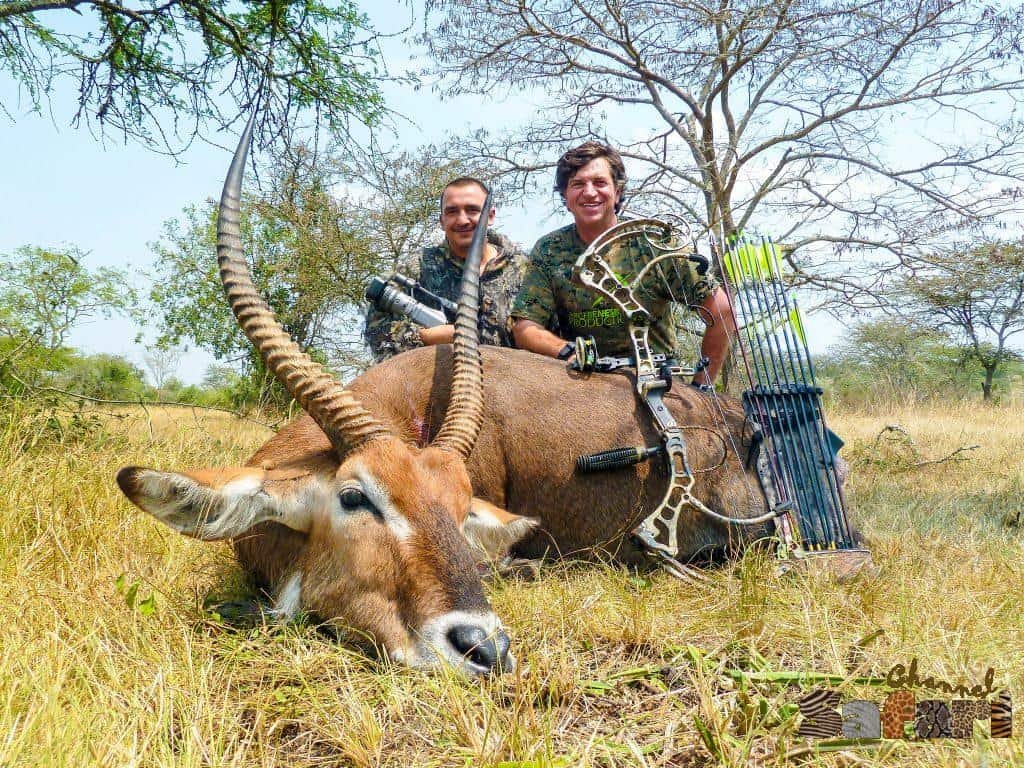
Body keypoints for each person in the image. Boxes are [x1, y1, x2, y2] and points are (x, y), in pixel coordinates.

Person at [511, 142, 736, 386]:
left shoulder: (655, 242)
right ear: (565, 196)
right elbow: (525, 327)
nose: (589, 192)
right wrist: (568, 352)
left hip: (656, 382)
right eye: (577, 184)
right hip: (582, 381)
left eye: (600, 182)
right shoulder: (549, 249)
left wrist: (702, 387)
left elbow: (722, 311)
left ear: (617, 192)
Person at [365, 178, 529, 361]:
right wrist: (426, 337)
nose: (462, 220)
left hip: (517, 375)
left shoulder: (526, 269)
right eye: (452, 212)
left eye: (472, 210)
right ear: (442, 221)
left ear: (490, 216)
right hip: (440, 375)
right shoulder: (415, 268)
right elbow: (376, 335)